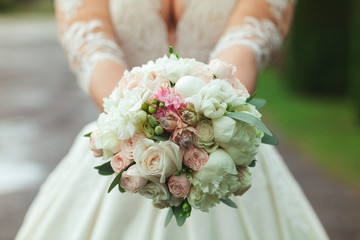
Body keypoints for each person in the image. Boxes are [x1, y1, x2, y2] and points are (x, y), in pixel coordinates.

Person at [16, 0, 330, 239]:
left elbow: (245, 41)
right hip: (124, 145)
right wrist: (137, 126)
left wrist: (209, 123)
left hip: (222, 144)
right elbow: (92, 47)